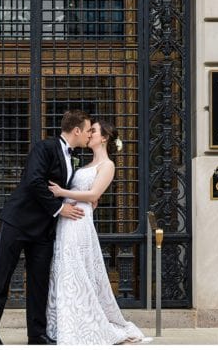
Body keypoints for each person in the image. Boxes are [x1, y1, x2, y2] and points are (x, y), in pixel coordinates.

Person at [0, 110, 94, 345]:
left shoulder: (74, 157)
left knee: (38, 282)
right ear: (76, 130)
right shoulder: (44, 147)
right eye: (87, 130)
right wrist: (58, 208)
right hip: (18, 222)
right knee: (1, 277)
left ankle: (36, 334)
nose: (89, 135)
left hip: (44, 230)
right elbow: (34, 180)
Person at [47, 119, 151, 345]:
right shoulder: (83, 165)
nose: (89, 133)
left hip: (80, 221)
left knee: (77, 269)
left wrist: (61, 192)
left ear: (103, 138)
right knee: (65, 268)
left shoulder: (108, 165)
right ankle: (66, 323)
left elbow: (93, 195)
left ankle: (85, 325)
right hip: (66, 218)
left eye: (93, 130)